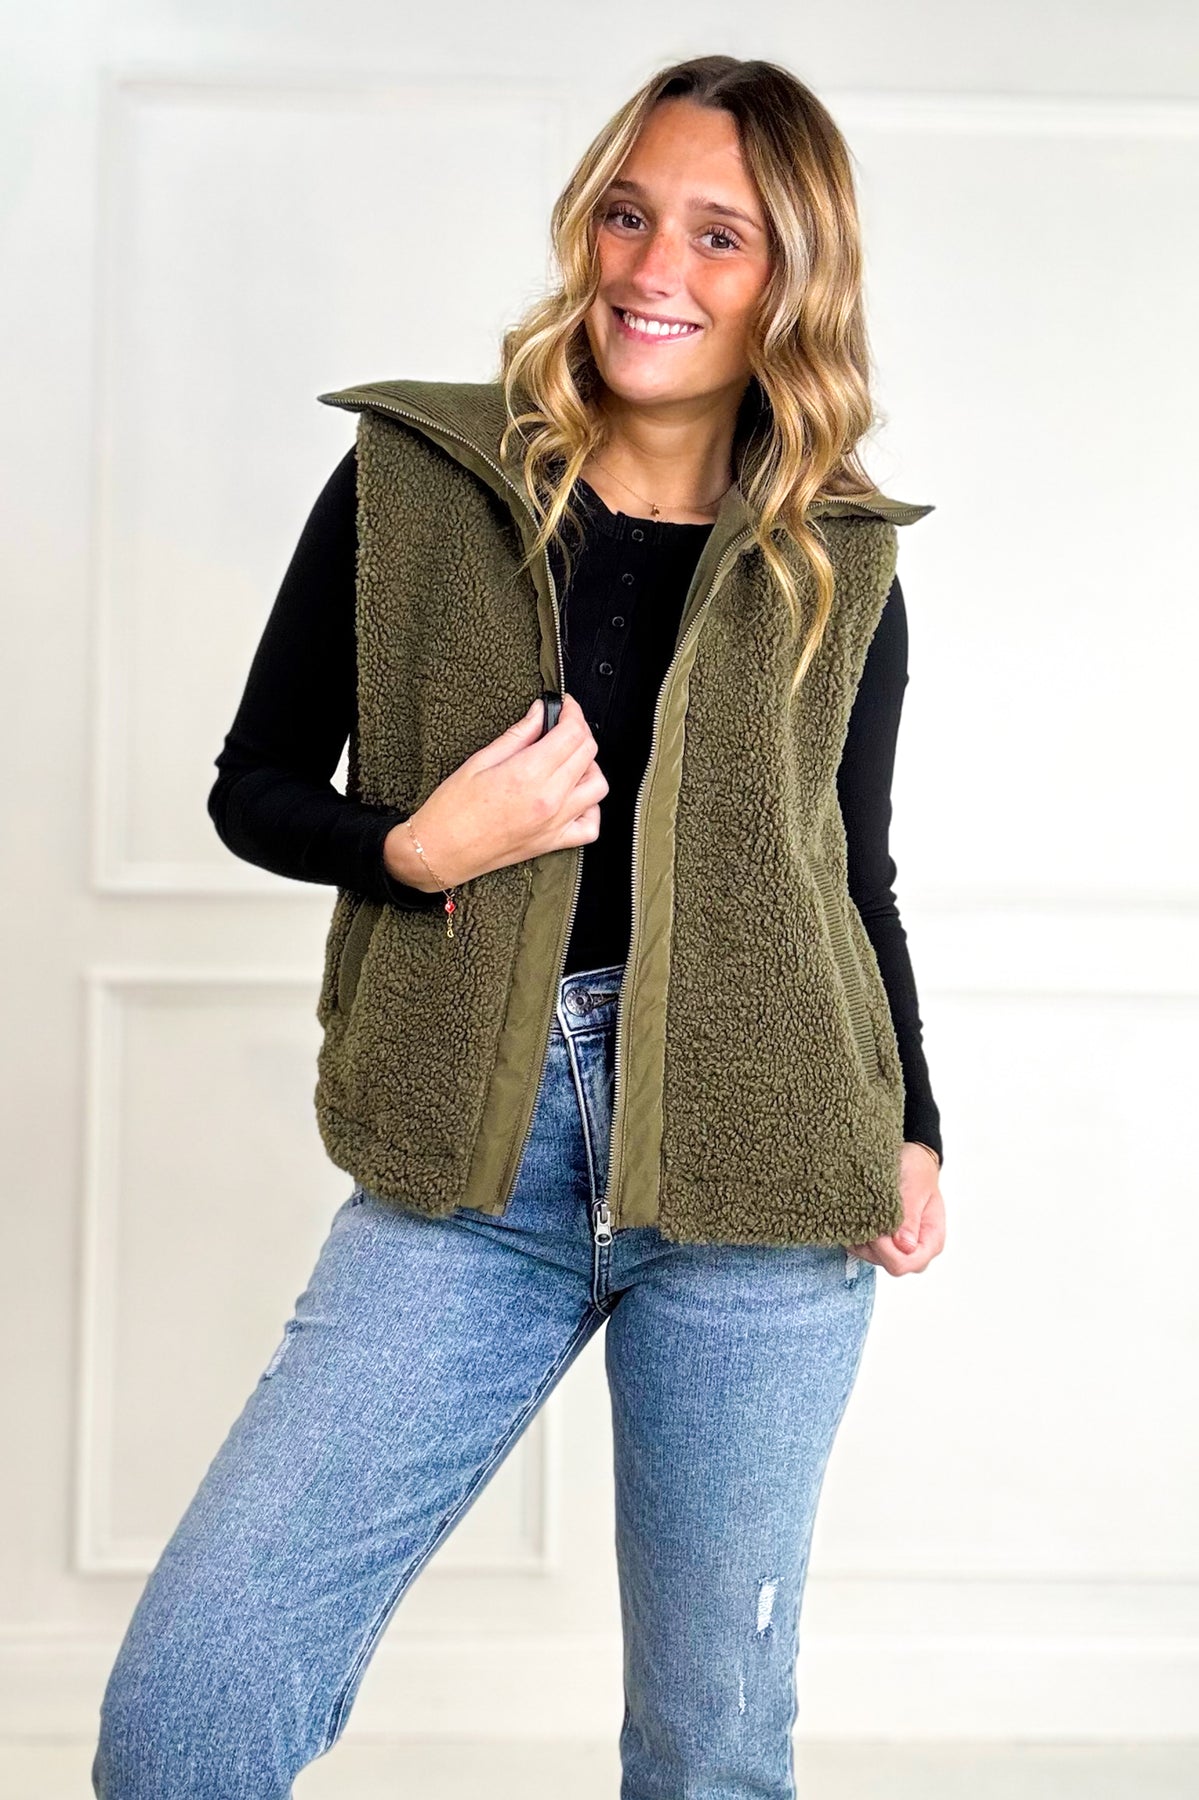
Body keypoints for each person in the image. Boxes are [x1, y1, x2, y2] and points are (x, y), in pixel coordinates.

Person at [92, 52, 947, 1800]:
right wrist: (416, 845)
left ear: (791, 281)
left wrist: (914, 1122)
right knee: (188, 1719)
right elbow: (255, 786)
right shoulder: (417, 479)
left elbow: (852, 873)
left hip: (769, 1173)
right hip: (474, 1170)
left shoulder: (841, 554)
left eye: (719, 236)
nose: (654, 268)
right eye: (629, 214)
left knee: (711, 1754)